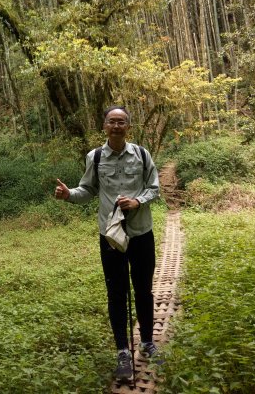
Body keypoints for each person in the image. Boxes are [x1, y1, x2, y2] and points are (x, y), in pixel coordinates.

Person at [55, 105, 160, 381]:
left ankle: (148, 342)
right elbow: (87, 189)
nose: (116, 126)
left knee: (143, 290)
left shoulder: (142, 154)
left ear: (128, 126)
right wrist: (69, 195)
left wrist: (138, 201)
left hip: (140, 233)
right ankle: (122, 352)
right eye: (112, 121)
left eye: (122, 122)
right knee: (116, 293)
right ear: (104, 126)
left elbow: (154, 188)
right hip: (111, 236)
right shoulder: (96, 156)